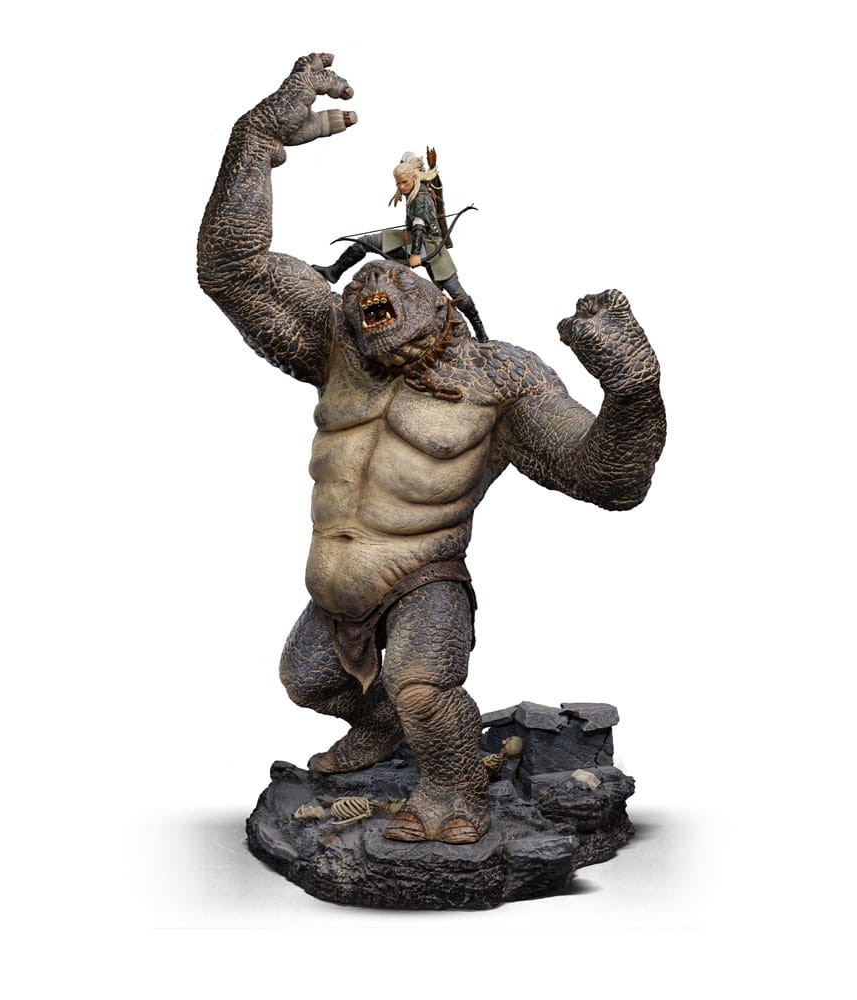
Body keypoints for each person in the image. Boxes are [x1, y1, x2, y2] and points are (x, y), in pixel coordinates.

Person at [198, 54, 666, 844]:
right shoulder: (337, 342)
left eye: (393, 285)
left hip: (425, 578)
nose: (370, 293)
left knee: (422, 687)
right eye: (360, 289)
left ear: (443, 305)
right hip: (338, 592)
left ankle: (455, 794)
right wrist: (254, 139)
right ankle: (384, 730)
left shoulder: (498, 377)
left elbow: (607, 477)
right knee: (307, 679)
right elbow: (229, 267)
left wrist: (633, 391)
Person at [313, 151, 488, 341]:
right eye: (398, 184)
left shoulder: (421, 197)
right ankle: (334, 271)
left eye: (404, 182)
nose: (401, 187)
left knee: (457, 293)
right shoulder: (413, 185)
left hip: (430, 246)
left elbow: (420, 226)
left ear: (413, 178)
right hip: (410, 237)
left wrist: (415, 254)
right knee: (366, 242)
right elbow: (409, 160)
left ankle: (480, 331)